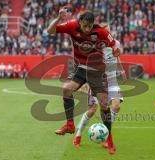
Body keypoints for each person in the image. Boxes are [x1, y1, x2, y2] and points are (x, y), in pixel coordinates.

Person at [47, 8, 122, 154]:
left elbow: (115, 45)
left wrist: (115, 50)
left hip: (97, 71)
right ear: (80, 22)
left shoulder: (101, 32)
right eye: (84, 25)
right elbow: (50, 31)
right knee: (66, 88)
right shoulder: (72, 26)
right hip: (81, 68)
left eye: (89, 26)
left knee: (104, 105)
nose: (87, 29)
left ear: (93, 24)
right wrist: (58, 18)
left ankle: (109, 138)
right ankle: (70, 125)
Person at [73, 40, 124, 154]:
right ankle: (78, 135)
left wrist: (121, 69)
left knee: (116, 107)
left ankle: (106, 135)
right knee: (91, 110)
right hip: (97, 83)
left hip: (112, 82)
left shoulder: (116, 44)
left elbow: (117, 56)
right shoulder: (94, 48)